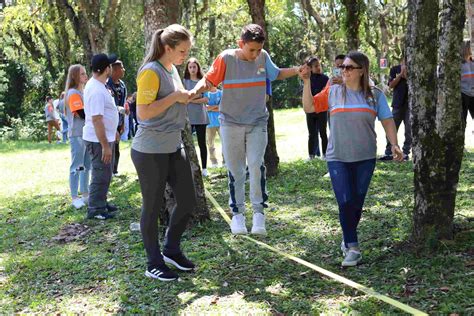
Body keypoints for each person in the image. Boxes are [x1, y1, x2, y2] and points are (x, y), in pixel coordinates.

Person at [192, 24, 304, 236]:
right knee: (236, 170)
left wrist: (297, 70)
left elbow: (277, 73)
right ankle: (238, 215)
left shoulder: (262, 57)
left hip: (257, 122)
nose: (255, 54)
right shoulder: (226, 58)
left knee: (255, 164)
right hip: (230, 122)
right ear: (240, 44)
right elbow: (208, 81)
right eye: (251, 49)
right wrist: (193, 92)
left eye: (259, 49)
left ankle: (259, 214)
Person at [301, 51, 403, 267]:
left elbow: (387, 121)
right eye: (342, 67)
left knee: (356, 202)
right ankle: (353, 247)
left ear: (361, 70)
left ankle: (347, 237)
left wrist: (394, 144)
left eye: (349, 67)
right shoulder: (333, 91)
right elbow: (309, 107)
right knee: (345, 201)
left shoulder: (375, 95)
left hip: (365, 157)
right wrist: (307, 81)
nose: (343, 71)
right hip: (337, 156)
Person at [131, 24, 197, 281]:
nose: (185, 56)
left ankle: (171, 249)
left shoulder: (172, 69)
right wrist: (176, 97)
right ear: (167, 48)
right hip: (150, 151)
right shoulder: (150, 72)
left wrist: (193, 95)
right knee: (152, 206)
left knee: (188, 200)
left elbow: (175, 99)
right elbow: (143, 112)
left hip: (172, 146)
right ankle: (153, 262)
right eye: (182, 51)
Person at [83, 53, 119, 220]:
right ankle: (95, 208)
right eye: (110, 66)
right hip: (98, 140)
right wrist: (105, 145)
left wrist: (114, 131)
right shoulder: (96, 89)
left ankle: (101, 202)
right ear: (107, 69)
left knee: (105, 172)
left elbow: (105, 113)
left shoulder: (99, 85)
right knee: (100, 172)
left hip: (105, 137)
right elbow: (97, 119)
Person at [64, 64, 91, 209]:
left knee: (87, 165)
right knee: (77, 166)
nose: (85, 76)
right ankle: (75, 197)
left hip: (85, 134)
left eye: (85, 73)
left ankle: (85, 193)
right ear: (74, 76)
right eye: (82, 74)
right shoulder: (73, 93)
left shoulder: (83, 92)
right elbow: (81, 114)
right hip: (77, 134)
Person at [379, 54, 411, 161]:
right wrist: (400, 75)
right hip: (397, 103)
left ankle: (406, 153)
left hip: (411, 104)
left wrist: (406, 75)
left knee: (409, 130)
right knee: (392, 127)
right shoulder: (394, 69)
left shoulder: (416, 69)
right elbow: (391, 85)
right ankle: (389, 152)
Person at [183, 58, 210, 176]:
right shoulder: (184, 82)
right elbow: (184, 99)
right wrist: (196, 96)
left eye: (194, 67)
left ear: (198, 68)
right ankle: (188, 167)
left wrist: (191, 98)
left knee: (202, 143)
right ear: (187, 69)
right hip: (187, 117)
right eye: (190, 67)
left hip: (201, 117)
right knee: (187, 143)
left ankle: (204, 168)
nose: (193, 69)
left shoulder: (203, 81)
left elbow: (206, 99)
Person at [106, 59, 128, 175]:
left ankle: (114, 170)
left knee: (116, 146)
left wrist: (123, 123)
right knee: (110, 146)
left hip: (119, 121)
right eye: (122, 67)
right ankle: (108, 170)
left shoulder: (122, 85)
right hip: (109, 122)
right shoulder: (107, 84)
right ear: (114, 70)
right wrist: (113, 129)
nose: (124, 70)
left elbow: (123, 106)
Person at [304, 56, 329, 160]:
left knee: (323, 132)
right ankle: (311, 155)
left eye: (319, 65)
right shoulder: (307, 79)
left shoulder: (325, 78)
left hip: (322, 109)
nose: (318, 68)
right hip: (310, 110)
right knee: (312, 133)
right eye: (315, 66)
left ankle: (325, 154)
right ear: (310, 68)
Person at [204, 85, 224, 168]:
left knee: (225, 143)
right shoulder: (205, 94)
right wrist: (216, 106)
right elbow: (205, 108)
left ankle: (225, 161)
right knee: (210, 143)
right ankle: (214, 162)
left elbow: (223, 107)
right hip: (209, 123)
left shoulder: (221, 93)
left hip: (221, 122)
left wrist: (210, 108)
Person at [461, 40, 474, 128]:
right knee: (462, 120)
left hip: (473, 94)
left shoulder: (472, 63)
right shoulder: (460, 64)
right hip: (463, 94)